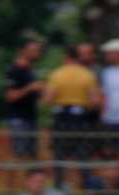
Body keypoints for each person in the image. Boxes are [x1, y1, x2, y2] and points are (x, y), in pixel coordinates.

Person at [42, 44, 100, 181]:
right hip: (80, 117)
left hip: (61, 117)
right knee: (83, 153)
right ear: (78, 57)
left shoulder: (57, 74)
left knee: (59, 153)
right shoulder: (87, 74)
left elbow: (47, 100)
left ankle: (59, 184)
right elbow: (95, 101)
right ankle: (86, 185)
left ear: (66, 57)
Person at [4, 32, 45, 159]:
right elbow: (10, 96)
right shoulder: (14, 70)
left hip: (31, 118)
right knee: (20, 155)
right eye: (33, 50)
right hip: (19, 120)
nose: (37, 52)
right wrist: (29, 88)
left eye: (38, 50)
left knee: (31, 156)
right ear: (23, 51)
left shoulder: (31, 70)